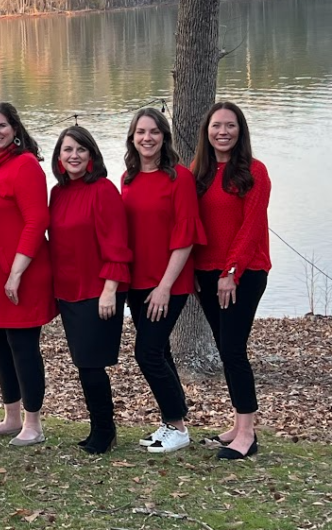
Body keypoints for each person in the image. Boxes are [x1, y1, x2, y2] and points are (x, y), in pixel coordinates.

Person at [121, 108, 206, 454]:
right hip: (136, 283)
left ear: (164, 136)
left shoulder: (180, 178)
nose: (147, 138)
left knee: (148, 353)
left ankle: (179, 425)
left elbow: (185, 237)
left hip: (169, 284)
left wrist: (165, 286)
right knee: (162, 351)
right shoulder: (127, 179)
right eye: (141, 132)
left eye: (154, 132)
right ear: (132, 138)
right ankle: (170, 422)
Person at [0, 102, 57, 447]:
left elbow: (38, 221)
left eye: (2, 126)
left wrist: (16, 272)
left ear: (16, 129)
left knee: (23, 345)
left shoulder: (25, 166)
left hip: (21, 273)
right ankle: (11, 417)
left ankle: (33, 423)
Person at [192, 102, 271, 460]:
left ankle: (248, 434)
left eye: (230, 126)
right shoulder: (200, 172)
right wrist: (194, 269)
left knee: (234, 350)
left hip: (245, 273)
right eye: (216, 126)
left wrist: (232, 271)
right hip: (207, 273)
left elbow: (252, 228)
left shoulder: (254, 172)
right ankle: (238, 424)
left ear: (241, 131)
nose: (222, 132)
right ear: (206, 132)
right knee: (226, 348)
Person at [47, 127, 132, 454]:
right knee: (83, 363)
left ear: (92, 155)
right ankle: (98, 427)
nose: (74, 155)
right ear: (59, 158)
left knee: (92, 363)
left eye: (81, 149)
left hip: (98, 290)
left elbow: (117, 244)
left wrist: (110, 289)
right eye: (67, 150)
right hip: (69, 291)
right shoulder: (58, 192)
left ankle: (105, 431)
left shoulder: (104, 190)